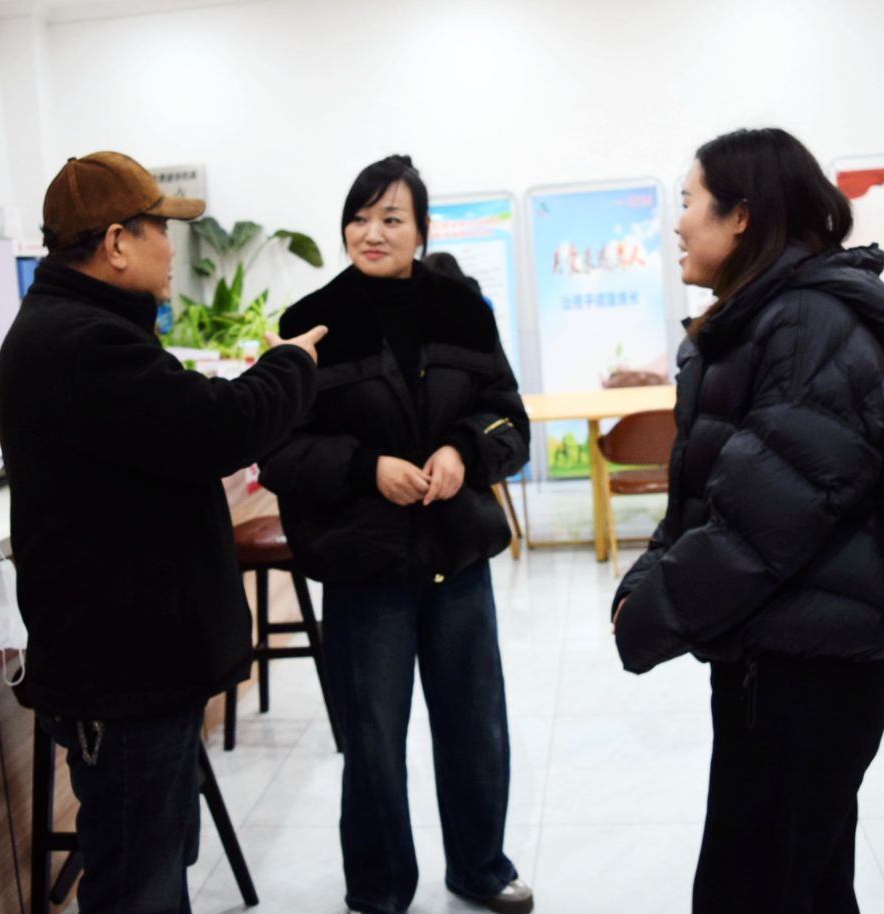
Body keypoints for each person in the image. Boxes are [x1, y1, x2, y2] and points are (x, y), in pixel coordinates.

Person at [611, 128, 884, 913]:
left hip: (807, 674)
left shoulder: (801, 325)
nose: (677, 223)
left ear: (741, 216)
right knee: (803, 884)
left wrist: (653, 609)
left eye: (690, 202)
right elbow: (709, 495)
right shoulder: (758, 322)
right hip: (778, 654)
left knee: (758, 889)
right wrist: (647, 577)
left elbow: (770, 516)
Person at [0, 150, 326, 914]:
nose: (171, 249)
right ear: (116, 242)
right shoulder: (81, 342)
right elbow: (219, 427)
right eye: (160, 231)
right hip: (120, 680)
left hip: (136, 671)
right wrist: (288, 365)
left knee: (156, 866)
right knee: (137, 887)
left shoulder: (79, 329)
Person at [259, 155, 534, 914]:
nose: (371, 232)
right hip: (365, 563)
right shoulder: (312, 321)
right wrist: (365, 468)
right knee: (374, 736)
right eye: (359, 217)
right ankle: (379, 887)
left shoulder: (463, 311)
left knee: (475, 725)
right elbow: (280, 452)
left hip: (456, 553)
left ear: (422, 230)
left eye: (390, 218)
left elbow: (510, 419)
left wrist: (463, 451)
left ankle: (481, 868)